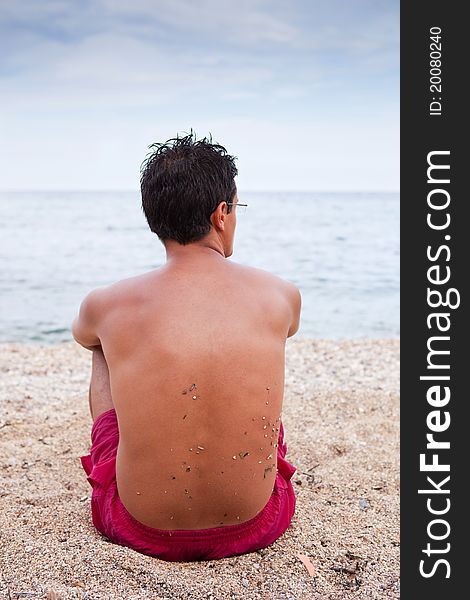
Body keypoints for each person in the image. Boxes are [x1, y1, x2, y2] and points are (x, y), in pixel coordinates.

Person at [73, 133, 301, 562]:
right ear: (221, 214)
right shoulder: (280, 295)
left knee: (103, 345)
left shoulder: (107, 303)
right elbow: (286, 332)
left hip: (136, 526)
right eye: (237, 208)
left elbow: (83, 335)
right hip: (258, 522)